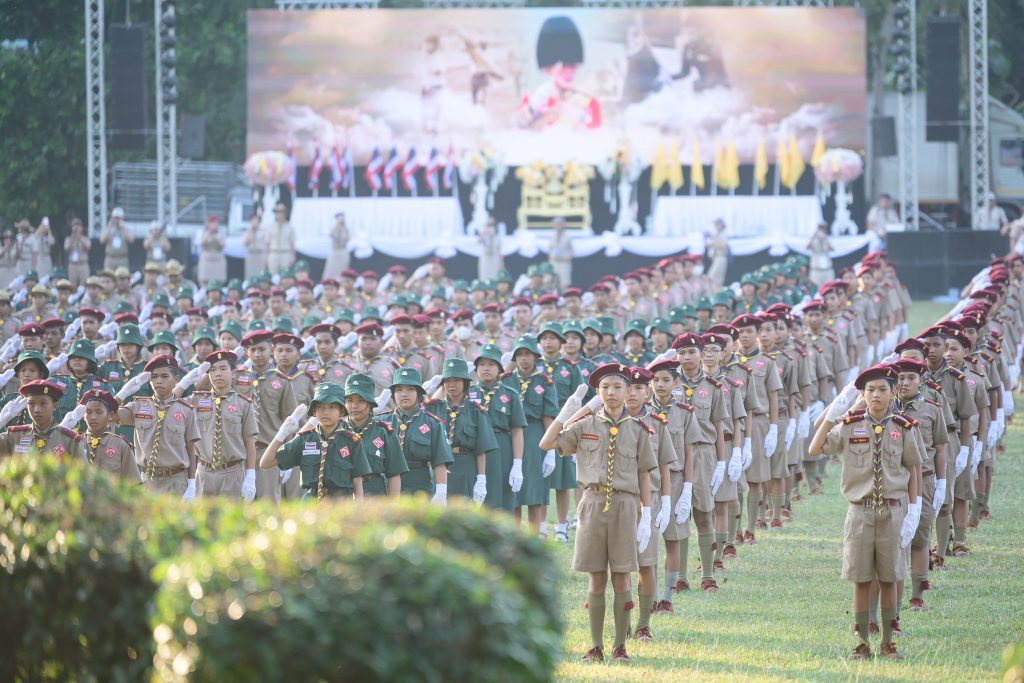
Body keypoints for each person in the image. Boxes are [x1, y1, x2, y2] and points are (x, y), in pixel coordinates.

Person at [538, 362, 657, 663]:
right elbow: (546, 443)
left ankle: (620, 646)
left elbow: (644, 474)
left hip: (625, 505)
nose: (611, 392)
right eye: (605, 388)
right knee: (596, 578)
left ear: (628, 391)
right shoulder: (584, 425)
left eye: (617, 387)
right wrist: (566, 415)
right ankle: (595, 646)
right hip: (592, 503)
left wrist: (646, 514)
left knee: (622, 577)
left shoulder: (639, 429)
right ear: (597, 392)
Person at [809, 364, 921, 661]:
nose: (876, 395)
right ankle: (862, 642)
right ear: (863, 394)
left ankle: (888, 642)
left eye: (883, 389)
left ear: (893, 392)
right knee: (860, 578)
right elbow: (815, 449)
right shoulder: (850, 425)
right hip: (860, 513)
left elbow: (913, 468)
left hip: (892, 513)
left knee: (889, 578)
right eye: (870, 390)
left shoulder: (903, 427)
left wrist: (914, 509)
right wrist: (833, 415)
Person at [259, 382, 371, 501]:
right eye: (320, 407)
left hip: (341, 502)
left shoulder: (351, 441)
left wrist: (357, 509)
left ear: (342, 411)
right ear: (314, 411)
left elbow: (357, 484)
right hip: (311, 501)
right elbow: (265, 463)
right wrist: (281, 434)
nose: (325, 412)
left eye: (332, 407)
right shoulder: (304, 439)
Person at [113, 355, 200, 498]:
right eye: (154, 377)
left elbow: (190, 450)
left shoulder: (186, 410)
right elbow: (110, 416)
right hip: (147, 480)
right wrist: (123, 393)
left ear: (176, 380)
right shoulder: (138, 406)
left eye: (165, 376)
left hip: (175, 481)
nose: (159, 381)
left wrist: (191, 484)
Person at [426, 358, 496, 504]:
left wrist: (481, 479)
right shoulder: (434, 408)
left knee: (464, 509)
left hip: (465, 466)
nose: (451, 385)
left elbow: (481, 448)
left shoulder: (476, 411)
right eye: (447, 381)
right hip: (439, 466)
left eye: (457, 380)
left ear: (465, 383)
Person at [191, 350, 259, 500]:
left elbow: (249, 441)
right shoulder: (196, 401)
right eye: (212, 370)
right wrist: (186, 382)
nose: (218, 374)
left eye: (223, 368)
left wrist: (250, 475)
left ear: (233, 373)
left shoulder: (243, 403)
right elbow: (170, 402)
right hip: (204, 471)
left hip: (232, 472)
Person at [380, 367, 453, 501]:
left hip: (419, 486)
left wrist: (441, 492)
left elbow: (440, 461)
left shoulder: (432, 423)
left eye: (410, 389)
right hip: (385, 485)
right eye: (399, 390)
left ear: (418, 393)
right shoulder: (380, 422)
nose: (404, 394)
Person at [469, 344, 526, 512]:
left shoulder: (510, 394)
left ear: (500, 368)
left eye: (491, 364)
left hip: (501, 447)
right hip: (473, 447)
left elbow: (517, 431)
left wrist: (517, 463)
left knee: (502, 498)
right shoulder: (467, 393)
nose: (486, 368)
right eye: (481, 364)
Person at [341, 373, 407, 497]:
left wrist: (393, 504)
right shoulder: (337, 431)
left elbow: (394, 474)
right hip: (343, 494)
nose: (354, 406)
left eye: (360, 400)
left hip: (374, 494)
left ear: (370, 403)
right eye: (349, 400)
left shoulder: (384, 432)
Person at [0, 379, 85, 460]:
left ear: (55, 406)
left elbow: (83, 470)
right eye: (31, 404)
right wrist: (1, 421)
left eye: (43, 403)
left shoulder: (70, 440)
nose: (37, 409)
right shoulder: (15, 436)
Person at [80, 389, 140, 482]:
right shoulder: (76, 443)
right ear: (83, 416)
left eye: (99, 412)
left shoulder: (121, 446)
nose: (93, 417)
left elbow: (134, 483)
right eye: (89, 412)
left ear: (110, 415)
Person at [196, 214, 227, 287]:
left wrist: (215, 238)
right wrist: (208, 234)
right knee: (205, 282)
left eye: (215, 223)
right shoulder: (203, 232)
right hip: (206, 258)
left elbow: (222, 245)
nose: (214, 225)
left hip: (217, 258)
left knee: (218, 282)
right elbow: (201, 243)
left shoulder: (220, 233)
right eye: (212, 223)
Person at [265, 202, 296, 274]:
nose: (280, 214)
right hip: (273, 253)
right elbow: (267, 243)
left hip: (285, 253)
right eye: (278, 212)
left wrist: (293, 257)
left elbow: (292, 244)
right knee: (272, 275)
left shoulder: (290, 227)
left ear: (285, 214)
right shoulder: (270, 227)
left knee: (285, 274)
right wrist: (267, 257)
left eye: (282, 212)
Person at [100, 207, 133, 272]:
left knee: (122, 275)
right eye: (115, 218)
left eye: (119, 218)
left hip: (122, 258)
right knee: (109, 275)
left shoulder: (126, 228)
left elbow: (131, 240)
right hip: (110, 258)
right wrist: (109, 228)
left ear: (122, 218)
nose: (117, 220)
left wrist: (123, 228)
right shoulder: (108, 228)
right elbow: (102, 241)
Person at [65, 218, 91, 288]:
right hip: (72, 265)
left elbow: (88, 248)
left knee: (85, 285)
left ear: (81, 228)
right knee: (72, 286)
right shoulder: (68, 239)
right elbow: (66, 249)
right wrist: (72, 238)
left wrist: (80, 238)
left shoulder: (85, 238)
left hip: (83, 264)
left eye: (78, 226)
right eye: (74, 226)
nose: (76, 228)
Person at [323, 212, 350, 280]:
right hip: (335, 251)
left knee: (342, 270)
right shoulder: (334, 228)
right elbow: (330, 234)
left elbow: (347, 239)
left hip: (342, 251)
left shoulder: (346, 229)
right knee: (331, 270)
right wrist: (337, 226)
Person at [549, 217, 573, 288]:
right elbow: (550, 249)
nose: (558, 226)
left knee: (564, 283)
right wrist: (551, 256)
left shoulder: (568, 237)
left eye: (559, 224)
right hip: (554, 262)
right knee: (552, 282)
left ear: (563, 225)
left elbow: (572, 250)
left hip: (564, 263)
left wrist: (568, 257)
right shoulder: (552, 236)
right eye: (556, 224)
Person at [807, 224, 834, 288]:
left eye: (823, 229)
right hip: (816, 270)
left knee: (829, 288)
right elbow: (807, 247)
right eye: (820, 229)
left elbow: (832, 249)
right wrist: (814, 236)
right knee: (815, 288)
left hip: (827, 270)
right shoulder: (814, 241)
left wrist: (824, 239)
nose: (822, 231)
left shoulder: (827, 240)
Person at [477, 216, 503, 282]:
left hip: (495, 259)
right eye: (489, 225)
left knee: (495, 277)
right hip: (486, 259)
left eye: (492, 225)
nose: (491, 227)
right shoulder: (484, 236)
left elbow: (500, 252)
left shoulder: (497, 237)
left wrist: (502, 265)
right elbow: (478, 241)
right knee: (484, 277)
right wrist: (485, 231)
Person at [706, 219, 729, 288]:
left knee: (711, 278)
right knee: (717, 280)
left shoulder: (723, 234)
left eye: (717, 224)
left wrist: (714, 238)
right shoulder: (717, 234)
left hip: (721, 258)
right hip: (716, 258)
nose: (716, 226)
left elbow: (723, 247)